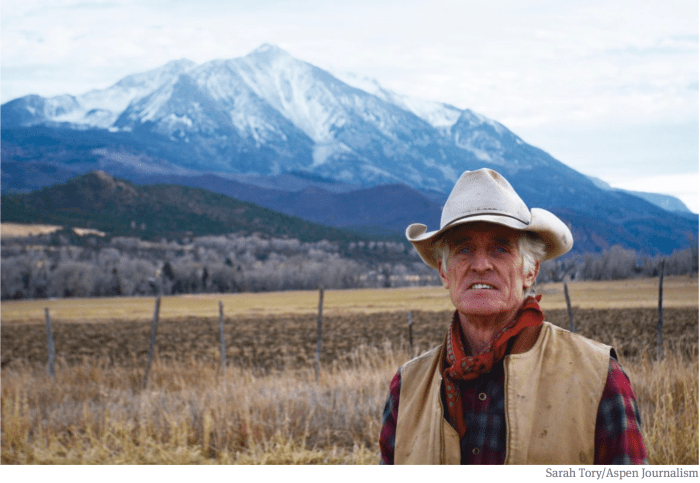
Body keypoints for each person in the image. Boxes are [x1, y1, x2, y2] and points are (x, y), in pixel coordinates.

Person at [379, 168, 647, 465]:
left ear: (530, 270)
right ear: (444, 272)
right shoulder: (407, 388)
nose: (480, 265)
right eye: (464, 249)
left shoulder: (598, 377)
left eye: (500, 249)